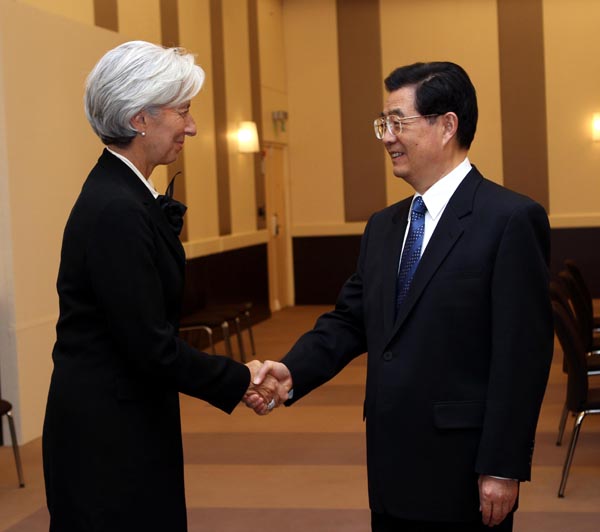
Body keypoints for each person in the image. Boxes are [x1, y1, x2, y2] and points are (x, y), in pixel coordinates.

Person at [251, 62, 553, 531]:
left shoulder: (509, 219)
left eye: (398, 122)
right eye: (383, 124)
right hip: (391, 466)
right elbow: (351, 320)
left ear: (447, 125)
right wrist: (291, 371)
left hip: (463, 467)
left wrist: (503, 464)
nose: (387, 137)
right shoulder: (384, 226)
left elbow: (522, 356)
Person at [42, 41, 285, 532]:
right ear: (139, 119)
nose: (192, 127)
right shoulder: (116, 208)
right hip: (107, 439)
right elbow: (150, 347)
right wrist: (241, 380)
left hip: (125, 419)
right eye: (183, 111)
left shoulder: (123, 194)